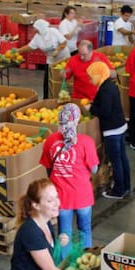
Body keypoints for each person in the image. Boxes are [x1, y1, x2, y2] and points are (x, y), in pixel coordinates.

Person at [0, 178, 98, 270]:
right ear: (36, 205)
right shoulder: (31, 231)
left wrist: (58, 243)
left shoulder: (46, 223)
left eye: (57, 197)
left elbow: (45, 252)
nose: (57, 203)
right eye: (50, 200)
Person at [39, 104, 99, 250]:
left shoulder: (50, 140)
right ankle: (85, 258)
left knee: (64, 233)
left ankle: (64, 262)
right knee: (84, 230)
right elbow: (94, 169)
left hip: (61, 197)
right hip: (83, 195)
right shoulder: (86, 142)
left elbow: (48, 168)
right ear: (77, 120)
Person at [87, 61, 130, 199]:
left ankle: (118, 190)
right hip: (120, 126)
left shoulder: (105, 89)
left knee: (116, 160)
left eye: (91, 77)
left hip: (112, 130)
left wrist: (91, 108)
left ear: (98, 75)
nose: (90, 80)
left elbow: (105, 111)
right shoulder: (110, 85)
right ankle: (126, 186)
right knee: (122, 158)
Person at [17, 19, 70, 99]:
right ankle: (47, 98)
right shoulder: (37, 37)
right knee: (48, 80)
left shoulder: (53, 31)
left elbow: (64, 42)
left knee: (62, 78)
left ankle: (62, 97)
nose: (35, 30)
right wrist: (19, 50)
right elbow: (30, 47)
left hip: (63, 57)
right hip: (51, 59)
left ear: (42, 28)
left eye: (36, 29)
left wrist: (57, 50)